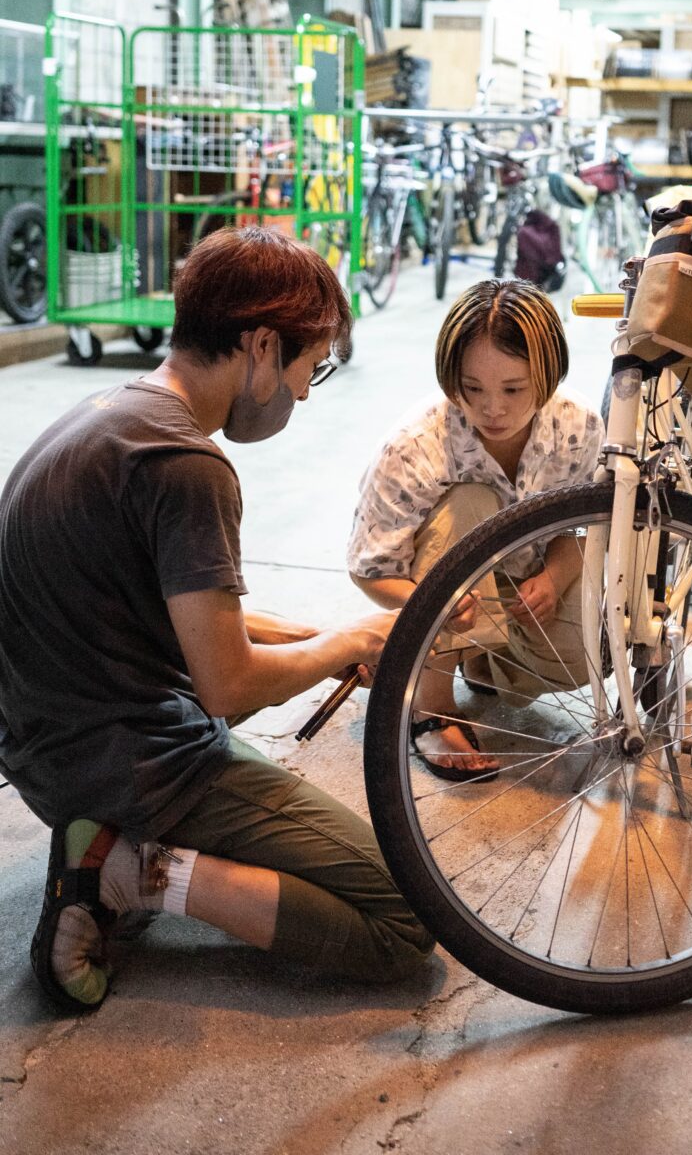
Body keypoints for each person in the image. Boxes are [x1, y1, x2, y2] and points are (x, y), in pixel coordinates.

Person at [0, 227, 433, 1014]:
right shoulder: (187, 466)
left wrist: (321, 643)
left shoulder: (113, 413)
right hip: (133, 767)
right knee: (405, 920)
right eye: (311, 367)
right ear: (263, 346)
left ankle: (106, 845)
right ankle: (133, 873)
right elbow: (226, 684)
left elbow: (183, 615)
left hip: (48, 748)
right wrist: (352, 638)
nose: (306, 393)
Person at [348, 279, 603, 780]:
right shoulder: (415, 445)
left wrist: (554, 579)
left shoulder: (579, 427)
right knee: (471, 499)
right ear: (451, 379)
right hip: (438, 582)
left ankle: (480, 660)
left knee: (579, 660)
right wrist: (433, 603)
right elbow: (371, 569)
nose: (493, 409)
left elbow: (584, 529)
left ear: (548, 375)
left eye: (514, 389)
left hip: (524, 582)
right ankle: (430, 707)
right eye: (473, 389)